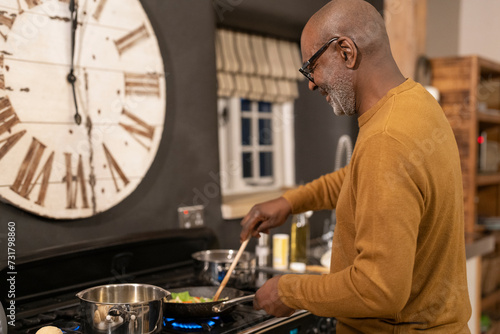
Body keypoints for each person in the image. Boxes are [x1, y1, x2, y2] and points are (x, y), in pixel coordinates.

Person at [239, 0, 472, 333]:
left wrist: (288, 290)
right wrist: (290, 203)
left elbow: (377, 290)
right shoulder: (416, 104)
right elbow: (362, 177)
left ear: (346, 51)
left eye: (311, 67)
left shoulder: (386, 139)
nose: (311, 83)